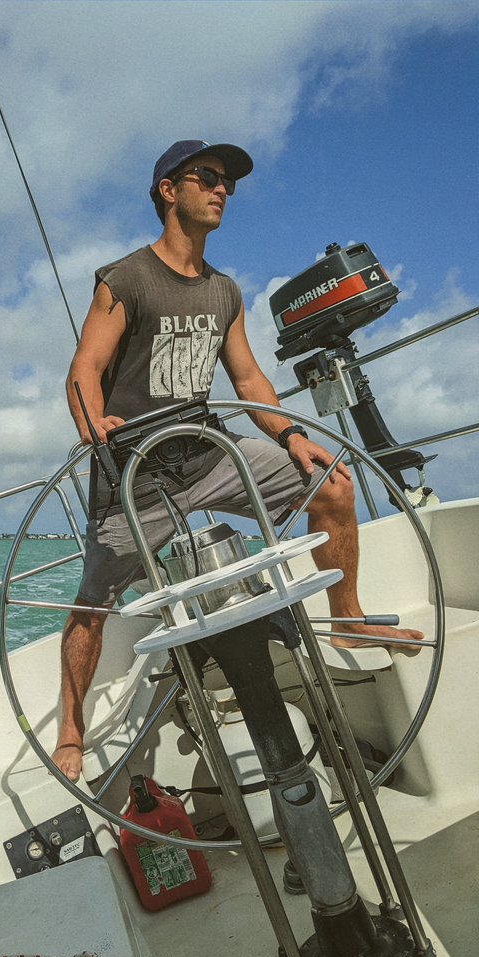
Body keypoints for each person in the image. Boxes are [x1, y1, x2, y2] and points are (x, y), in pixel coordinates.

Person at [53, 139, 423, 782]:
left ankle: (349, 621)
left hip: (207, 451)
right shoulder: (125, 279)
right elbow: (83, 368)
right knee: (94, 598)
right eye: (207, 177)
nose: (222, 189)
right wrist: (93, 427)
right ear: (169, 190)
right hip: (137, 473)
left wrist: (288, 436)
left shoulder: (224, 291)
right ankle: (70, 728)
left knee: (332, 481)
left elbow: (250, 380)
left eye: (227, 182)